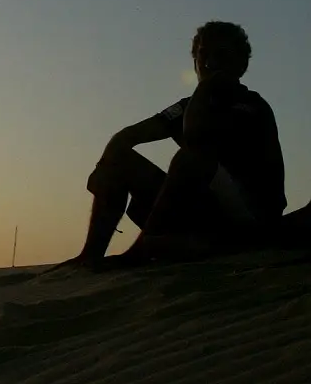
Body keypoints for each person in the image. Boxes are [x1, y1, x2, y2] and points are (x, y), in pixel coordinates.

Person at [60, 21, 285, 269]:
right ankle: (91, 254)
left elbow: (196, 140)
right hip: (197, 212)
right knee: (120, 159)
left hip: (248, 220)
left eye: (220, 55)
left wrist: (204, 89)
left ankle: (140, 253)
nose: (209, 63)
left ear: (240, 64)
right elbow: (125, 138)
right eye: (203, 55)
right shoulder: (187, 106)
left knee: (190, 158)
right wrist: (103, 170)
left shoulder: (251, 107)